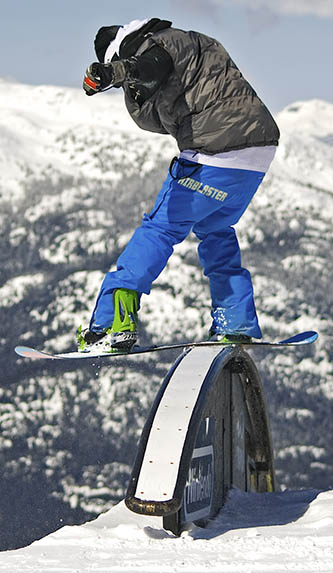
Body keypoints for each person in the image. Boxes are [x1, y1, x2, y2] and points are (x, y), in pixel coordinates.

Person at [78, 18, 279, 352]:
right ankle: (236, 320)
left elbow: (148, 67)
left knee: (160, 229)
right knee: (216, 228)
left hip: (214, 153)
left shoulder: (159, 46)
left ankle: (110, 322)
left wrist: (111, 74)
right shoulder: (193, 43)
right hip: (257, 155)